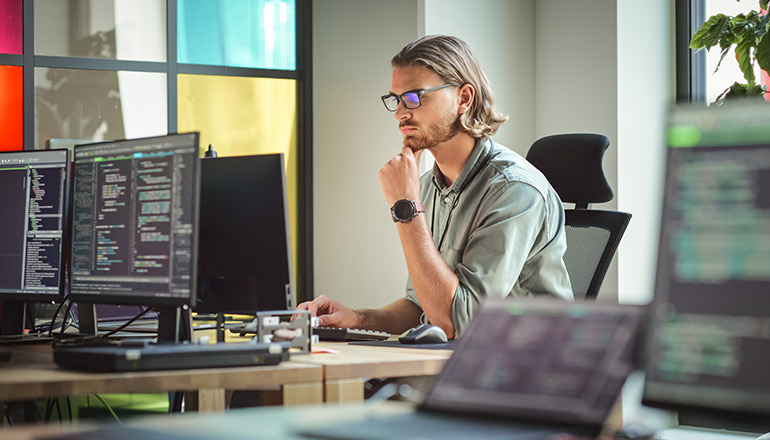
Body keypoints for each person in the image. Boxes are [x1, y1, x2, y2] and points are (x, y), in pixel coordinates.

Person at [298, 35, 572, 339]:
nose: (401, 113)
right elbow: (421, 307)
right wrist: (356, 318)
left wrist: (406, 209)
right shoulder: (428, 186)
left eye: (415, 97)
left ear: (464, 98)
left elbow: (456, 323)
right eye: (396, 99)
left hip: (524, 362)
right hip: (462, 358)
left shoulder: (514, 190)